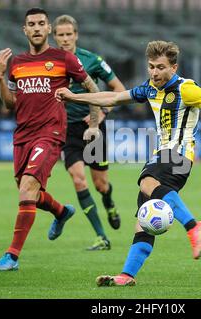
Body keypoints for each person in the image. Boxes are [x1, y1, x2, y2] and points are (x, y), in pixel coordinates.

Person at [55, 40, 201, 286]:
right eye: (151, 66)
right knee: (144, 221)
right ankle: (127, 275)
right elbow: (112, 97)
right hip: (163, 156)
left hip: (178, 155)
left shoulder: (186, 88)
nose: (154, 72)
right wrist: (73, 97)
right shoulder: (149, 89)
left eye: (160, 67)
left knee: (146, 181)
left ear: (173, 68)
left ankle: (193, 226)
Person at [0, 7, 100, 271]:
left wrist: (94, 124)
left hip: (51, 133)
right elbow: (9, 104)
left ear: (48, 29)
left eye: (41, 24)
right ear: (24, 30)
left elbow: (92, 88)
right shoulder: (17, 63)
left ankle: (11, 257)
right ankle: (61, 211)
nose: (36, 28)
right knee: (30, 192)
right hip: (22, 135)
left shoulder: (64, 59)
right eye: (31, 24)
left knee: (27, 188)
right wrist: (0, 77)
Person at [52, 15, 125, 251]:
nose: (64, 39)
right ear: (54, 37)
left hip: (93, 128)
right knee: (78, 178)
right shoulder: (49, 64)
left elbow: (119, 89)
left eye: (68, 34)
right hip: (66, 131)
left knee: (101, 184)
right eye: (60, 35)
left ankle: (109, 202)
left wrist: (102, 112)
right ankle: (101, 236)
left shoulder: (92, 60)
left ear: (76, 35)